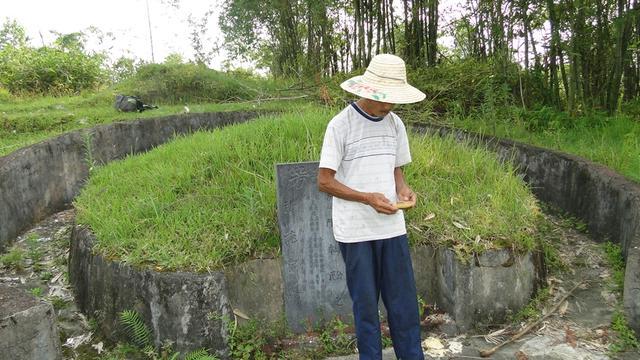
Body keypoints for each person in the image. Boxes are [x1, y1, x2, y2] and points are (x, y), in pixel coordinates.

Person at [317, 53, 426, 360]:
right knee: (366, 309)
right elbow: (324, 181)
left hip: (392, 228)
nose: (388, 105)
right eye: (384, 98)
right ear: (366, 90)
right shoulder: (340, 126)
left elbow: (396, 169)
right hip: (355, 233)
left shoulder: (395, 124)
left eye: (393, 99)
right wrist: (367, 198)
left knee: (403, 304)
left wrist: (403, 190)